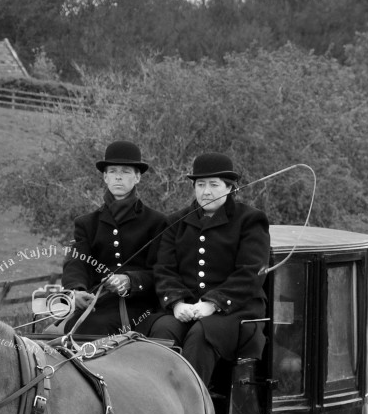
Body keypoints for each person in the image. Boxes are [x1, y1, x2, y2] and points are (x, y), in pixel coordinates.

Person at [150, 151, 270, 386]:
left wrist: (213, 303)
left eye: (214, 185)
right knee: (163, 330)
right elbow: (164, 269)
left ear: (229, 187)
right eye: (200, 184)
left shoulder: (251, 220)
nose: (206, 191)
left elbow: (251, 272)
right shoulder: (175, 222)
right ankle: (156, 404)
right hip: (187, 308)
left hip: (237, 312)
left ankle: (192, 408)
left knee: (202, 334)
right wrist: (176, 303)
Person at [60, 140, 166, 337]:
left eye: (126, 171)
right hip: (98, 303)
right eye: (113, 171)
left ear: (137, 177)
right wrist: (75, 290)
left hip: (141, 306)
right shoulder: (86, 223)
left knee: (96, 328)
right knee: (74, 329)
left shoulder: (157, 222)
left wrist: (131, 280)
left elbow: (162, 271)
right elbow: (77, 262)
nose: (118, 176)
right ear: (105, 177)